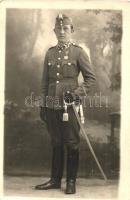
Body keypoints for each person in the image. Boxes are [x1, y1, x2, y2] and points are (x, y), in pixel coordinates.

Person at [35, 13, 96, 194]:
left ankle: (70, 182)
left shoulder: (79, 52)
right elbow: (45, 82)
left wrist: (76, 94)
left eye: (65, 28)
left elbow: (90, 80)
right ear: (54, 31)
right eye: (58, 29)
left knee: (71, 143)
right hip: (52, 105)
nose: (62, 32)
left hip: (70, 107)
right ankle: (55, 180)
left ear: (71, 30)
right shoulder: (50, 53)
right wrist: (43, 104)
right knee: (56, 142)